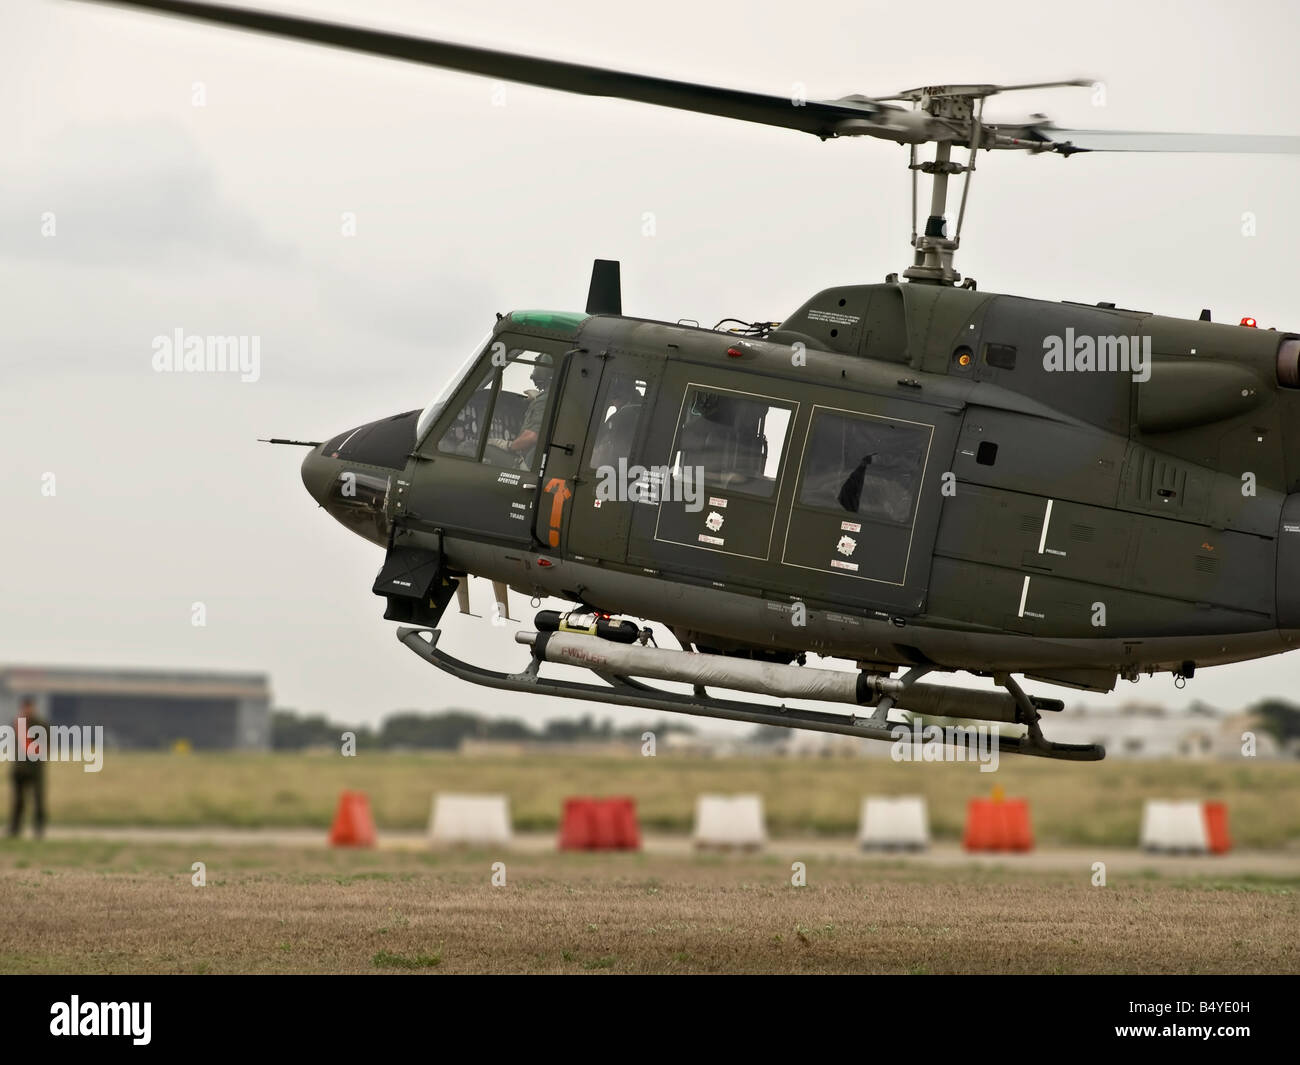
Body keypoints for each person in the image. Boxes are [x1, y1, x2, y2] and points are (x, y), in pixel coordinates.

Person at [8, 697, 47, 839]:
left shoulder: (41, 725)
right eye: (25, 707)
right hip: (19, 769)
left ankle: (39, 830)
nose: (27, 710)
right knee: (18, 802)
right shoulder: (17, 724)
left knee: (38, 801)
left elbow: (45, 746)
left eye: (29, 707)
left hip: (35, 769)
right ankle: (14, 829)